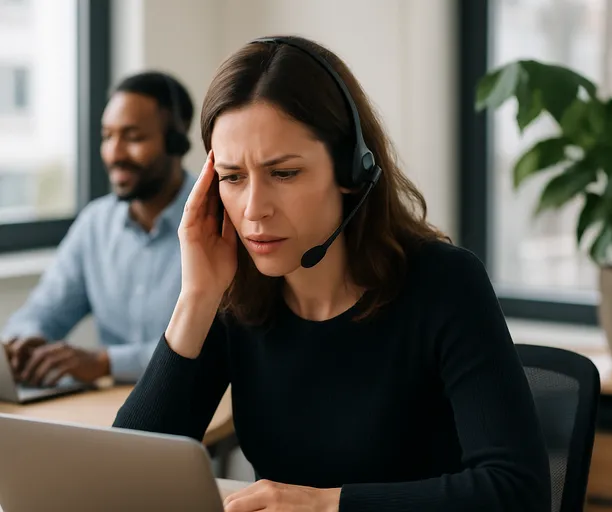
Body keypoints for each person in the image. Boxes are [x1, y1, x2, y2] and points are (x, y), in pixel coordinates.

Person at [113, 36, 551, 511]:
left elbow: (517, 491)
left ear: (351, 170)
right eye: (233, 177)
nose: (254, 210)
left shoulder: (445, 283)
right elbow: (123, 480)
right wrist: (196, 298)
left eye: (283, 173)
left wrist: (327, 506)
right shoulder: (236, 298)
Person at [1, 71, 197, 386]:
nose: (114, 154)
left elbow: (219, 345)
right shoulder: (96, 224)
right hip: (109, 408)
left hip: (197, 401)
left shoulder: (218, 221)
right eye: (108, 136)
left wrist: (106, 362)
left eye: (133, 138)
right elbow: (45, 308)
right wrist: (24, 340)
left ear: (176, 141)